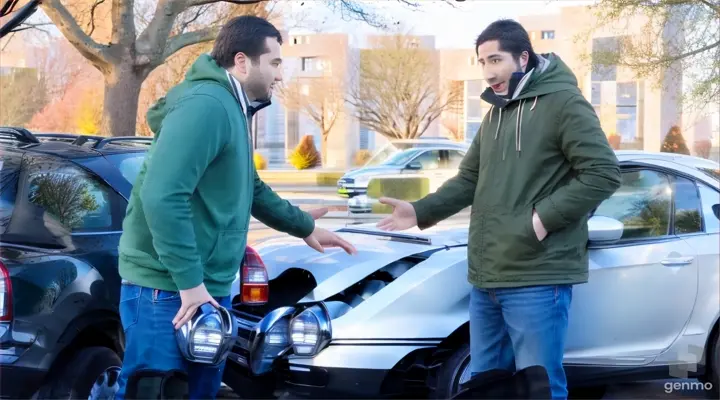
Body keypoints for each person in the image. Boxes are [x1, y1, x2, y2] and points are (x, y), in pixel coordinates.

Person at [114, 15, 357, 400]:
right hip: (168, 291)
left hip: (203, 289)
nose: (280, 75)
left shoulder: (232, 107)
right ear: (242, 62)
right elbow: (162, 195)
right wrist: (190, 285)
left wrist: (303, 226)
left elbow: (251, 187)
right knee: (157, 392)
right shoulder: (207, 106)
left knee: (200, 393)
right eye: (274, 63)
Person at [376, 19, 621, 400]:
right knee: (487, 386)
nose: (489, 72)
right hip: (487, 278)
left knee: (540, 386)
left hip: (537, 276)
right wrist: (419, 210)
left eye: (496, 60)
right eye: (482, 62)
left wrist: (541, 220)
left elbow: (603, 173)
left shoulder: (564, 103)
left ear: (523, 58)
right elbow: (468, 180)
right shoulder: (496, 114)